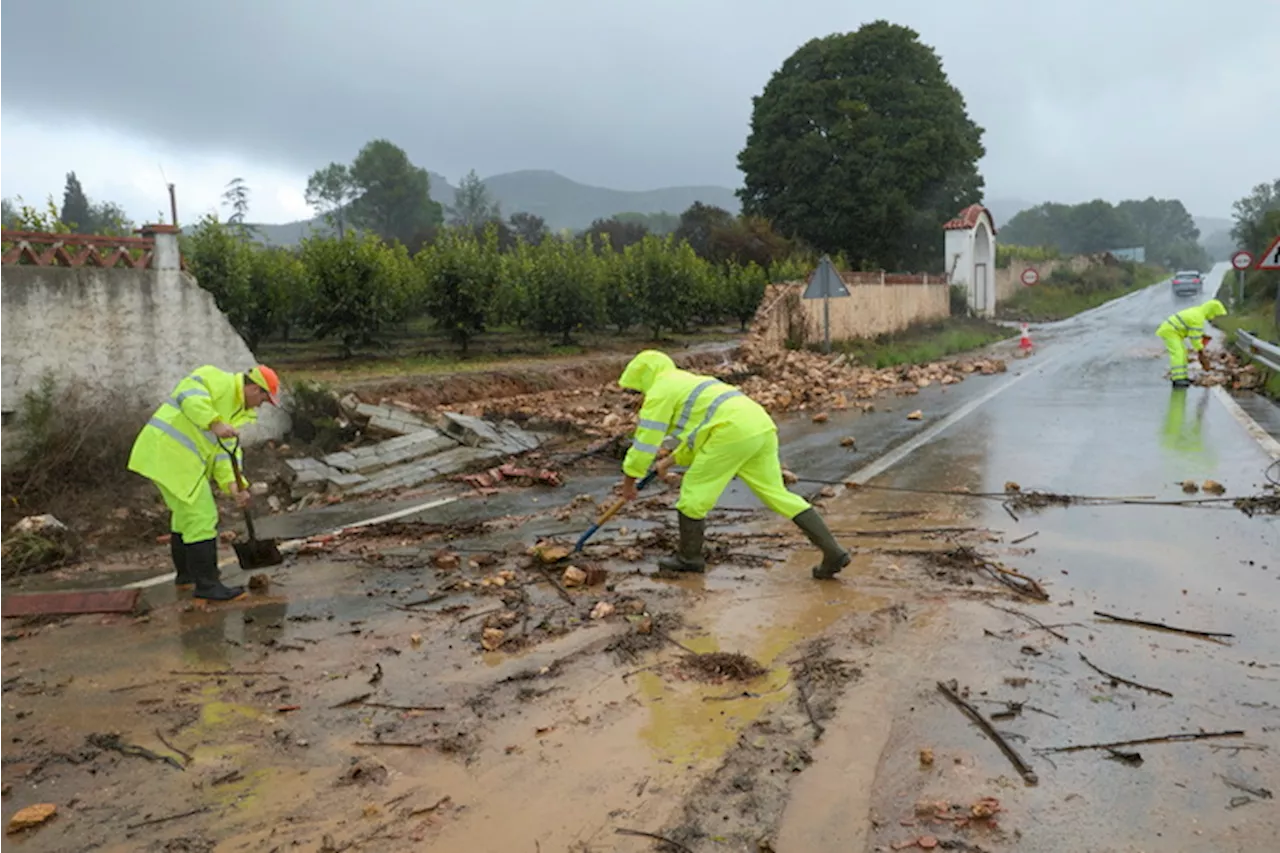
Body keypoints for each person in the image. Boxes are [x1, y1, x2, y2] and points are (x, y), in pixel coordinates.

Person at [615, 350, 850, 579]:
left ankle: (689, 559)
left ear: (644, 377)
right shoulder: (688, 382)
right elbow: (699, 433)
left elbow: (645, 443)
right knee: (777, 494)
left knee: (693, 496)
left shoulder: (659, 392)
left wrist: (629, 482)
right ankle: (833, 552)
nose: (638, 394)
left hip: (731, 432)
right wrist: (668, 461)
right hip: (760, 426)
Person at [128, 365, 281, 601]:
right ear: (252, 388)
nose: (262, 404)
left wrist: (234, 484)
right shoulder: (216, 379)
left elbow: (225, 453)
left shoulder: (238, 412)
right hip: (168, 454)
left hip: (174, 459)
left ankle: (187, 577)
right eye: (263, 397)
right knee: (202, 516)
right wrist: (214, 422)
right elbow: (187, 395)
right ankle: (208, 586)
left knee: (184, 518)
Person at [1156, 299, 1225, 388]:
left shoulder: (1198, 313)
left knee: (1183, 353)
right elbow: (1194, 338)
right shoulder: (1198, 317)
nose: (1214, 317)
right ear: (1210, 311)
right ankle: (1178, 379)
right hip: (1170, 331)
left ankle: (1182, 377)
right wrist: (1200, 349)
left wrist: (1200, 342)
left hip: (1174, 332)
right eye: (1214, 314)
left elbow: (1194, 333)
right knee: (1178, 353)